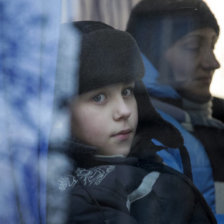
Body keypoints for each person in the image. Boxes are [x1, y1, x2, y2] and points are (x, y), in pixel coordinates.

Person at [47, 20, 218, 224]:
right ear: (60, 110)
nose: (124, 111)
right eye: (99, 97)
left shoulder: (156, 187)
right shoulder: (30, 177)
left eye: (127, 91)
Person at [126, 0, 224, 221]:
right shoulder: (137, 132)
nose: (213, 62)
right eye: (193, 47)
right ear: (151, 54)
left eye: (213, 46)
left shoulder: (210, 123)